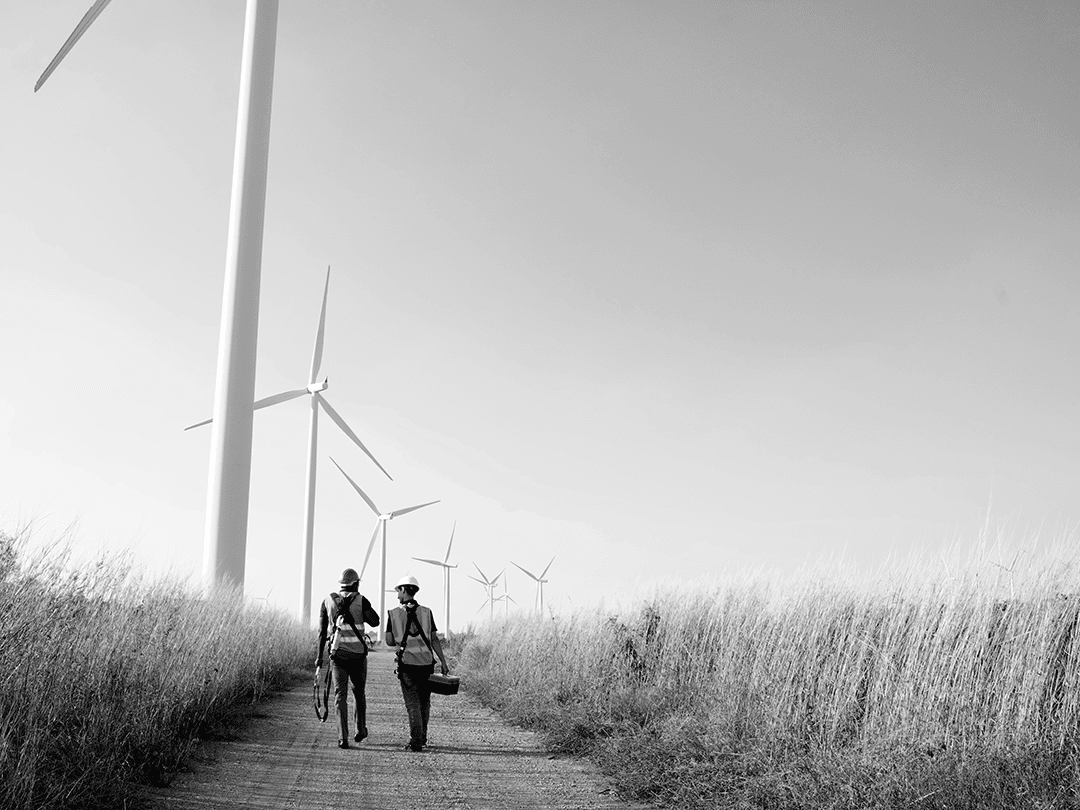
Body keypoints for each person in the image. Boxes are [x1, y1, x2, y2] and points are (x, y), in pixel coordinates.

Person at [384, 574, 450, 752]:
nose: (397, 594)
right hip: (427, 664)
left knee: (412, 704)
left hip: (407, 666)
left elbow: (389, 641)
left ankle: (416, 742)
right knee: (424, 703)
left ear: (404, 590)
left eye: (398, 591)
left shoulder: (394, 614)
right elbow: (434, 639)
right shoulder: (427, 612)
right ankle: (422, 738)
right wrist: (443, 662)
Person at [316, 567, 380, 749]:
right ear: (356, 583)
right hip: (358, 656)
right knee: (359, 693)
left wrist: (319, 659)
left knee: (340, 696)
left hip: (337, 657)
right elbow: (375, 621)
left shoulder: (327, 601)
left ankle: (342, 737)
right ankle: (360, 730)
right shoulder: (360, 600)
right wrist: (361, 608)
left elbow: (321, 633)